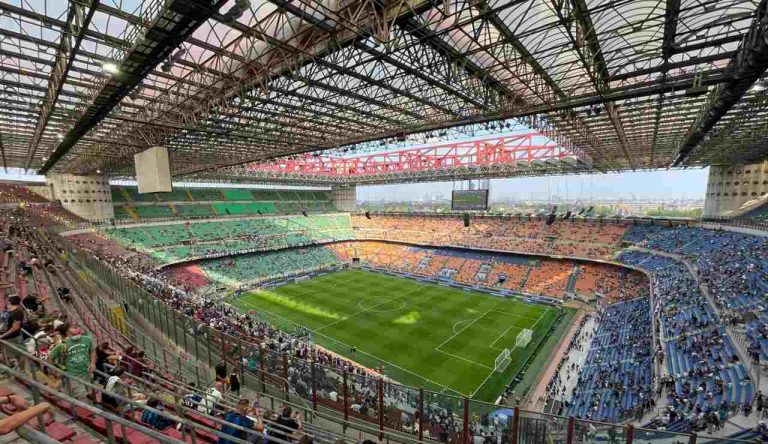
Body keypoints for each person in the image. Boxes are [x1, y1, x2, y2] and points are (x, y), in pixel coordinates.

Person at [48, 322, 96, 399]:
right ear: (68, 334)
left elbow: (92, 351)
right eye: (74, 334)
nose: (77, 335)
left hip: (87, 371)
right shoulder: (63, 345)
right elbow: (50, 357)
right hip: (72, 374)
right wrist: (54, 371)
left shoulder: (87, 339)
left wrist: (93, 363)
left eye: (78, 333)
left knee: (88, 392)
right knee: (81, 395)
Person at [0, 296, 26, 366]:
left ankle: (21, 370)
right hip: (5, 337)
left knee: (19, 354)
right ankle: (12, 366)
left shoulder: (18, 312)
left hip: (13, 338)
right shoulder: (9, 309)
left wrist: (2, 336)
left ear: (10, 301)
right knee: (7, 355)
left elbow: (15, 327)